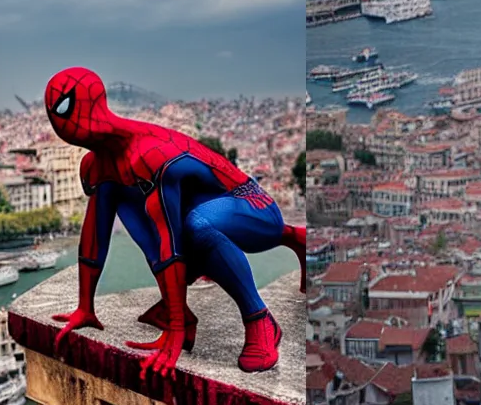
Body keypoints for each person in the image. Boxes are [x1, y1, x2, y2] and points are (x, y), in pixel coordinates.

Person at [44, 66, 307, 376]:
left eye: (64, 108)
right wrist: (85, 307)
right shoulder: (96, 166)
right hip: (208, 211)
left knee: (195, 226)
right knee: (125, 201)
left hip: (254, 206)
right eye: (54, 111)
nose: (60, 121)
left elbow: (169, 237)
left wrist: (176, 329)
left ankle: (259, 318)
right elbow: (95, 235)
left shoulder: (148, 154)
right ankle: (295, 240)